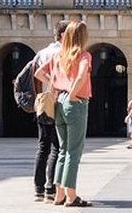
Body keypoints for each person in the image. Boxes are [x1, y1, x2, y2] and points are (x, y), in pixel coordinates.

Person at [37, 20, 92, 207]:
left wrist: (58, 88)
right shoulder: (84, 56)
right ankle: (71, 195)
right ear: (82, 37)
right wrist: (73, 94)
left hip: (59, 103)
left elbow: (38, 73)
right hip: (74, 104)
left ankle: (59, 194)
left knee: (62, 150)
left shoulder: (58, 56)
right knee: (73, 151)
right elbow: (81, 76)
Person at [32, 20, 68, 202]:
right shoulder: (61, 53)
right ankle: (50, 189)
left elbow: (36, 74)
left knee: (43, 146)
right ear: (62, 35)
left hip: (42, 102)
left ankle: (38, 189)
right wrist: (56, 84)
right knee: (57, 147)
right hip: (57, 102)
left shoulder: (41, 53)